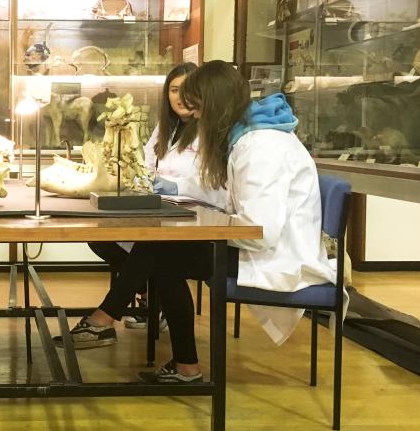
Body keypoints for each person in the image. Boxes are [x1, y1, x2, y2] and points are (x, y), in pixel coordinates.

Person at [66, 61, 334, 385]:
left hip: (278, 259)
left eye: (197, 107)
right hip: (263, 247)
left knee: (164, 255)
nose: (192, 116)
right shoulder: (249, 139)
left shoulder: (262, 147)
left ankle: (168, 356)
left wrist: (206, 228)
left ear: (215, 105)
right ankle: (177, 361)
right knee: (162, 251)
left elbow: (261, 232)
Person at [86, 63, 226, 329]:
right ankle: (150, 296)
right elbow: (146, 163)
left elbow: (217, 187)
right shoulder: (167, 128)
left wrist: (174, 186)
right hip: (161, 211)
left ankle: (106, 316)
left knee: (152, 249)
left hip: (197, 219)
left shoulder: (213, 131)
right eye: (174, 89)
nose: (180, 96)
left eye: (188, 89)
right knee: (100, 239)